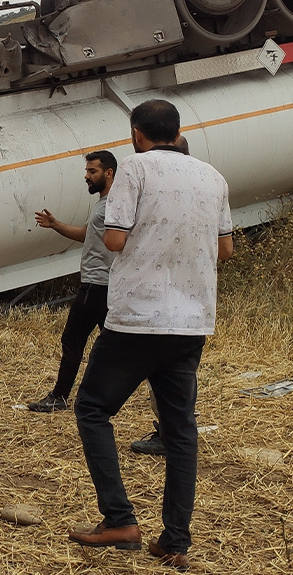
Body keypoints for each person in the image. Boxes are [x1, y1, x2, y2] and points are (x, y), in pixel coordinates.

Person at [68, 102, 232, 571]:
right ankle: (175, 540)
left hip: (138, 317)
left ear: (136, 133)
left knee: (93, 409)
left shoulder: (134, 169)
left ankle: (119, 519)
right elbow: (226, 248)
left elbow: (114, 240)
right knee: (181, 431)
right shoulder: (213, 176)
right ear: (178, 131)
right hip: (191, 320)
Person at [26, 150, 118, 413]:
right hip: (100, 284)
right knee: (111, 344)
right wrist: (56, 225)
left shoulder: (112, 204)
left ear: (108, 173)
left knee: (73, 340)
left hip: (97, 285)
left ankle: (60, 396)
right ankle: (106, 394)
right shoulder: (104, 203)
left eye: (93, 172)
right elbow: (89, 235)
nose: (86, 176)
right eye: (87, 171)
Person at [128, 134, 191, 456]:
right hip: (190, 301)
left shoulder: (160, 198)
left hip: (161, 300)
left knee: (163, 375)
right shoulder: (199, 192)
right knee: (179, 372)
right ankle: (177, 431)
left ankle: (171, 435)